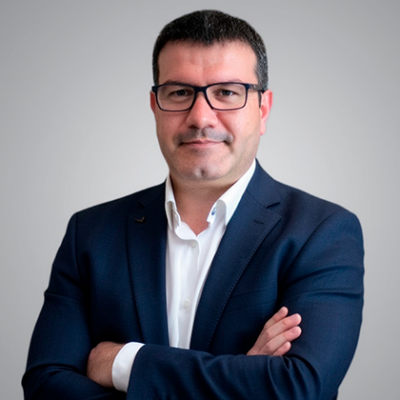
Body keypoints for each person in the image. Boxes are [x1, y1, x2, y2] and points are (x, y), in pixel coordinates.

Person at [22, 10, 364, 400]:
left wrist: (124, 363)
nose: (200, 117)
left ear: (263, 109)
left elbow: (299, 387)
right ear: (155, 106)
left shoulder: (322, 233)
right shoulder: (90, 233)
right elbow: (45, 385)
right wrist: (244, 379)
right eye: (180, 93)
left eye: (227, 92)